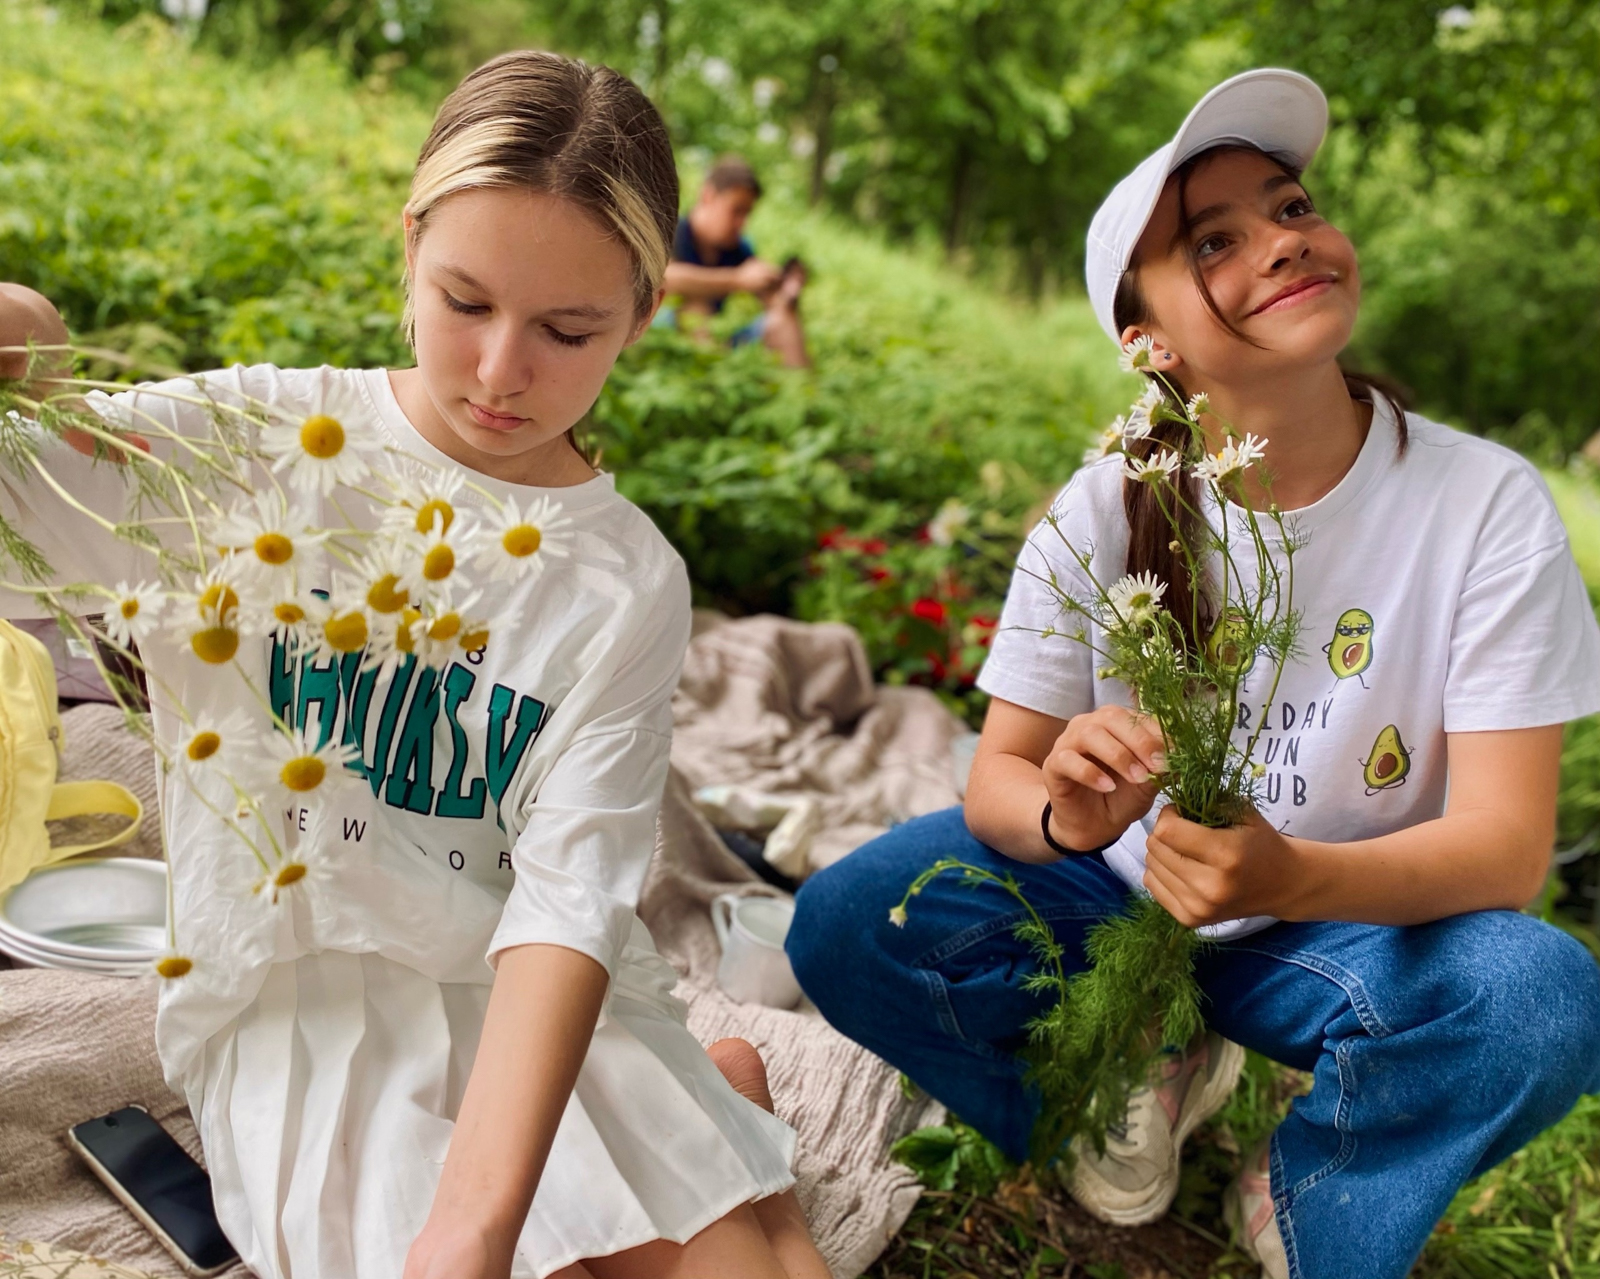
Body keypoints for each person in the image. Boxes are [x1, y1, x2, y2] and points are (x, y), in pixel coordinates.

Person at [0, 51, 832, 1279]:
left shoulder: (625, 581)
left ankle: (719, 1118)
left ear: (644, 315)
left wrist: (473, 1225)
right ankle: (725, 1112)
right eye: (465, 301)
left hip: (537, 1002)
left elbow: (564, 903)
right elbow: (31, 471)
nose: (502, 372)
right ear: (410, 245)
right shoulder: (243, 451)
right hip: (309, 1008)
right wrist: (24, 327)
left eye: (567, 329)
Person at [784, 67, 1600, 1279]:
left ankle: (1314, 1173)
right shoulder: (1105, 505)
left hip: (1335, 926)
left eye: (1289, 206)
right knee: (854, 921)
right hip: (1117, 902)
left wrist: (1287, 872)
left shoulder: (1479, 503)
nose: (1283, 240)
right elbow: (997, 786)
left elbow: (1505, 849)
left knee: (1540, 999)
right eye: (1215, 239)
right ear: (1146, 342)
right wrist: (1069, 809)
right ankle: (1126, 1066)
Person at [660, 156, 810, 368]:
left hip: (715, 345)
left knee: (783, 318)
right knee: (695, 306)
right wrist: (736, 279)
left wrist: (787, 291)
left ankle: (805, 395)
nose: (742, 223)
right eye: (736, 210)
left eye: (747, 213)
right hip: (658, 338)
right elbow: (664, 278)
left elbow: (771, 301)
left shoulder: (739, 248)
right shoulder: (673, 232)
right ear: (708, 196)